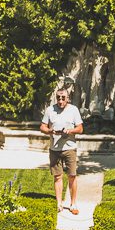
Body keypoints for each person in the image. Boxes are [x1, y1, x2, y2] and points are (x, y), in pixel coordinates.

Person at [40, 86, 84, 214]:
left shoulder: (74, 110)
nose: (60, 100)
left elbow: (80, 129)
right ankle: (59, 204)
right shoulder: (50, 110)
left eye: (63, 98)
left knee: (72, 176)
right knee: (57, 176)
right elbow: (42, 127)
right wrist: (50, 130)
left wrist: (70, 131)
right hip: (55, 149)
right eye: (58, 98)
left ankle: (73, 204)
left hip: (70, 148)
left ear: (67, 98)